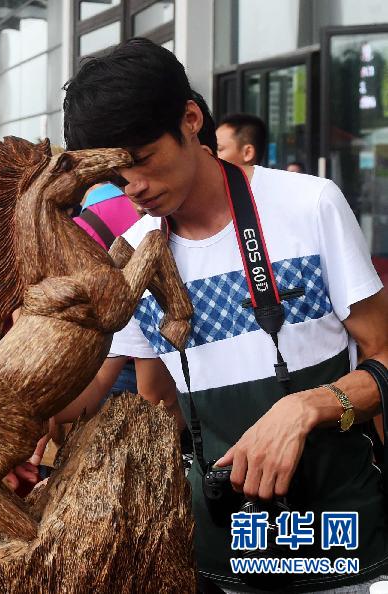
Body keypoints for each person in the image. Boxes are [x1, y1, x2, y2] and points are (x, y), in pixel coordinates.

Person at [58, 38, 388, 591]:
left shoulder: (310, 205)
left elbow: (383, 354)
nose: (133, 188)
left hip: (339, 543)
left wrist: (306, 407)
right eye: (115, 177)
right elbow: (156, 402)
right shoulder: (136, 253)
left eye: (141, 160)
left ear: (190, 119)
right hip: (226, 548)